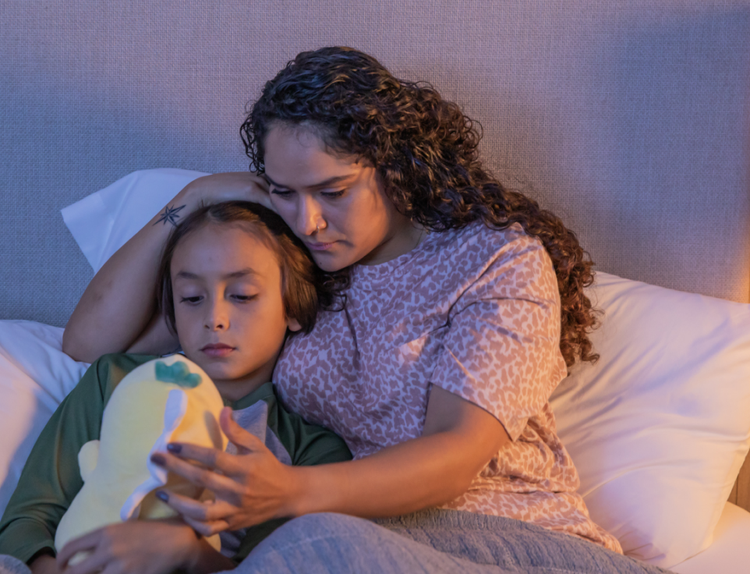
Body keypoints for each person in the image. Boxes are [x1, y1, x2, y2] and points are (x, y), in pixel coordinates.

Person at [61, 47, 672, 573]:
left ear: (398, 168)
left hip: (517, 542)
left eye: (333, 191)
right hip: (351, 536)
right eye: (284, 192)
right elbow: (90, 343)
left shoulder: (495, 260)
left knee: (310, 543)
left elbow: (456, 454)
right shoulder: (288, 261)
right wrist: (190, 198)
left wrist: (288, 492)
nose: (310, 221)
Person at [0, 201, 352, 574]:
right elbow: (27, 519)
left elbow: (267, 566)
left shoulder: (311, 452)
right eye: (192, 298)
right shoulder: (114, 380)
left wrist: (188, 552)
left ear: (294, 306)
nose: (214, 318)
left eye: (242, 295)